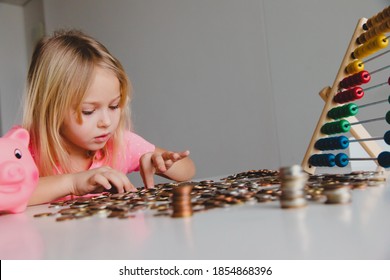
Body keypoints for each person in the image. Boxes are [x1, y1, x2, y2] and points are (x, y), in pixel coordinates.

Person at [22, 29, 196, 205]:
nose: (106, 122)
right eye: (88, 111)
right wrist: (72, 183)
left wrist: (162, 164)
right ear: (51, 107)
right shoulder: (25, 148)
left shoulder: (120, 143)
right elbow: (6, 196)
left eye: (114, 106)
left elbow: (188, 170)